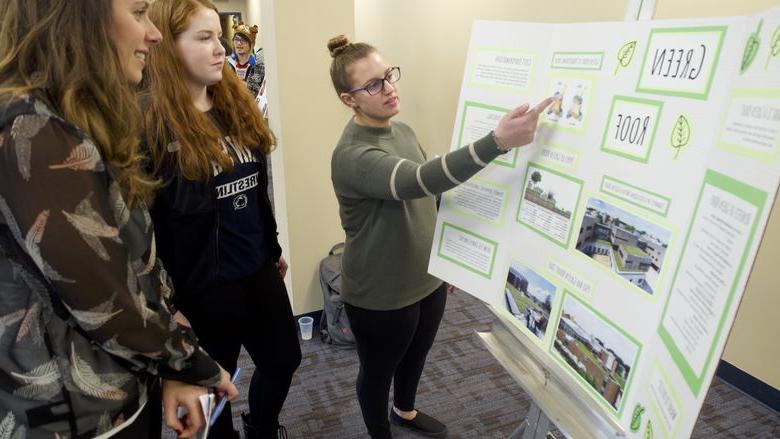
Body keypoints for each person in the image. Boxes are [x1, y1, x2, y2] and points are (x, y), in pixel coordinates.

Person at [0, 1, 238, 438]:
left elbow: (130, 256)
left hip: (113, 391)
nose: (154, 34)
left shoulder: (69, 117)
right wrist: (191, 363)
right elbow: (105, 300)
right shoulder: (31, 130)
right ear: (79, 18)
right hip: (72, 416)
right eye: (139, 12)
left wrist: (172, 367)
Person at [327, 35, 552, 439]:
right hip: (380, 292)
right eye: (373, 85)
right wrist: (498, 142)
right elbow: (419, 180)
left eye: (388, 76)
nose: (389, 88)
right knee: (377, 372)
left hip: (425, 275)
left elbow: (432, 197)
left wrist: (446, 257)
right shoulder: (352, 156)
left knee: (416, 355)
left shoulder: (403, 130)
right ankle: (381, 433)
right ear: (349, 99)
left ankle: (405, 411)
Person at [144, 1, 301, 438]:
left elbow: (256, 191)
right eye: (204, 38)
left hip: (255, 267)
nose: (220, 49)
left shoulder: (234, 102)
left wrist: (272, 248)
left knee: (284, 358)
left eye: (219, 36)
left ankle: (263, 425)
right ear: (168, 47)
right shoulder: (150, 126)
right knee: (210, 390)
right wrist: (167, 306)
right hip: (199, 288)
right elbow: (141, 230)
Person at [226, 21, 265, 99]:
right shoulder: (226, 64)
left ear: (251, 43)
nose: (239, 43)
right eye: (236, 39)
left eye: (243, 40)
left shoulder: (259, 65)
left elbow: (255, 92)